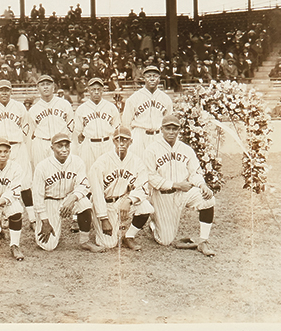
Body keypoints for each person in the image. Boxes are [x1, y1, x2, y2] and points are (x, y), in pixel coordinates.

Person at [144, 114, 216, 257]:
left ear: (179, 130)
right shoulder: (151, 149)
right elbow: (151, 177)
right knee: (165, 240)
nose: (171, 132)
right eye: (168, 128)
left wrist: (202, 185)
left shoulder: (186, 149)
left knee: (208, 199)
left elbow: (194, 172)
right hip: (162, 195)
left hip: (183, 193)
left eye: (174, 129)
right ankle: (153, 225)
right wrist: (176, 185)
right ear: (161, 129)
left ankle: (203, 241)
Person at [0, 79, 36, 227]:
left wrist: (18, 141)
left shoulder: (19, 107)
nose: (4, 93)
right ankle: (2, 217)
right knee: (0, 182)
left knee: (24, 182)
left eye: (7, 90)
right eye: (1, 90)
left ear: (11, 91)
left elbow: (26, 128)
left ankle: (32, 218)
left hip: (17, 146)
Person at [89, 125, 154, 251]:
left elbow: (143, 187)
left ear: (131, 142)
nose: (121, 143)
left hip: (123, 200)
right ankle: (100, 223)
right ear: (113, 141)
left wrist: (129, 200)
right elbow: (96, 193)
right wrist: (103, 218)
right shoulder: (102, 162)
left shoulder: (136, 161)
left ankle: (128, 236)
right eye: (118, 139)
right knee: (108, 244)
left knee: (146, 207)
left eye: (125, 140)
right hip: (105, 203)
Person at [32, 132, 96, 252]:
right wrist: (45, 221)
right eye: (60, 146)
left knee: (85, 204)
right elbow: (37, 197)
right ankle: (51, 227)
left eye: (67, 145)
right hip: (50, 201)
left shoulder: (77, 162)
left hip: (69, 198)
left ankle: (85, 241)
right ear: (52, 148)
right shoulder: (42, 167)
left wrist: (72, 198)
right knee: (47, 246)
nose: (64, 149)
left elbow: (84, 185)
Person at [121, 64, 173, 160]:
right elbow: (126, 123)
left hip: (158, 135)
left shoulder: (166, 99)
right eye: (149, 76)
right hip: (140, 136)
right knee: (139, 165)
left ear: (159, 78)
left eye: (155, 76)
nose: (152, 79)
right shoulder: (134, 98)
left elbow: (168, 122)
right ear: (144, 78)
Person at [75, 77, 120, 174]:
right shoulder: (81, 109)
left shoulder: (111, 107)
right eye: (93, 89)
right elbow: (77, 132)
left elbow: (117, 128)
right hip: (89, 145)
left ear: (103, 90)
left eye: (99, 89)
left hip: (107, 143)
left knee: (109, 173)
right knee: (90, 174)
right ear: (88, 90)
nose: (96, 92)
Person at [29, 74, 75, 166]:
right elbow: (32, 132)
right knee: (42, 172)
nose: (45, 87)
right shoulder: (33, 109)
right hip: (42, 144)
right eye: (42, 85)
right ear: (38, 87)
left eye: (48, 84)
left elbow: (71, 127)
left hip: (61, 144)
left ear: (53, 86)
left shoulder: (64, 104)